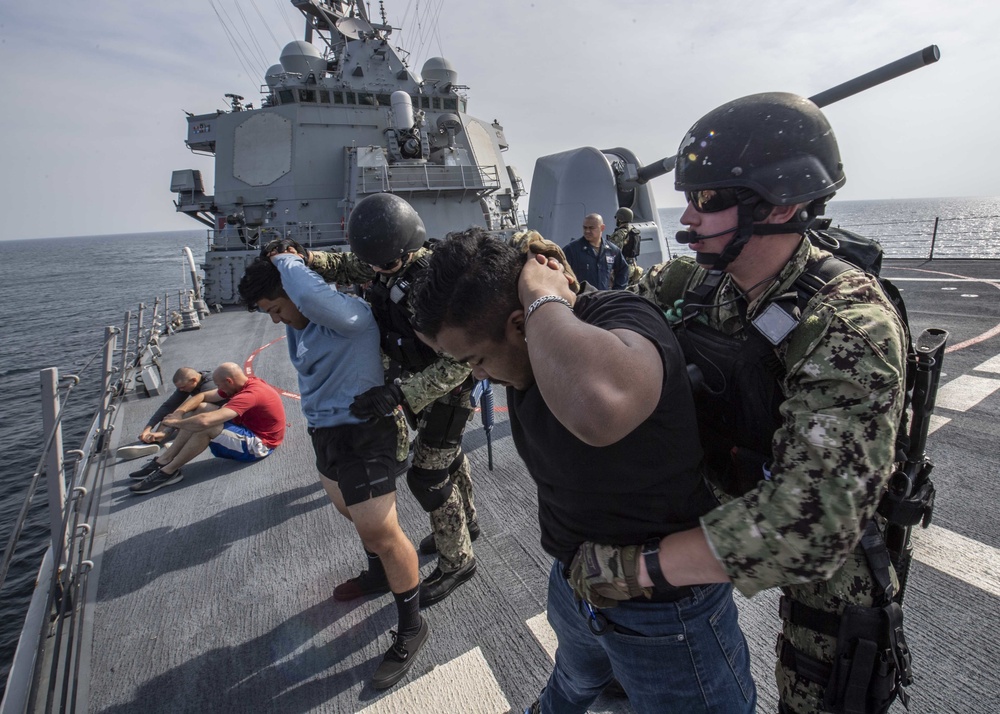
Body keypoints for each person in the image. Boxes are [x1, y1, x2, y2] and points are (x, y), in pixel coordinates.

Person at [573, 93, 911, 714]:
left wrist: (635, 567)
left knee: (824, 692)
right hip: (718, 496)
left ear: (779, 203)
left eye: (708, 199)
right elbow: (602, 302)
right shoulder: (702, 282)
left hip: (829, 565)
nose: (688, 217)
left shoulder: (848, 324)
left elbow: (812, 527)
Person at [409, 228, 756, 714]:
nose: (478, 376)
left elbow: (598, 408)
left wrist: (541, 296)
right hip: (578, 582)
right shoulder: (520, 346)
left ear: (519, 322)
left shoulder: (619, 317)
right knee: (572, 682)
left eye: (477, 360)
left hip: (662, 611)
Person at [237, 250, 427, 690]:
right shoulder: (301, 330)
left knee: (382, 533)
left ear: (297, 293)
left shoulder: (350, 317)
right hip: (327, 435)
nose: (275, 320)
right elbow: (300, 317)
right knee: (351, 513)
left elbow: (310, 296)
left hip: (365, 435)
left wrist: (285, 261)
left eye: (277, 308)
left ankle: (413, 627)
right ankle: (380, 575)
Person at [305, 193, 479, 607]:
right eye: (376, 264)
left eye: (386, 265)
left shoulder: (434, 284)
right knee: (448, 458)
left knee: (428, 476)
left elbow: (459, 361)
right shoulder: (387, 259)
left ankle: (458, 561)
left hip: (446, 390)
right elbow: (349, 265)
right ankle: (467, 522)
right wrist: (303, 257)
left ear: (407, 247)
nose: (378, 271)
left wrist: (400, 393)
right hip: (415, 381)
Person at [128, 362, 285, 495]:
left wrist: (175, 423)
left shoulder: (250, 394)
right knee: (203, 407)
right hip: (247, 428)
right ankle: (165, 459)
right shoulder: (243, 383)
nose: (218, 388)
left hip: (261, 445)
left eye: (218, 385)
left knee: (206, 427)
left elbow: (204, 422)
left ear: (229, 381)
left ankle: (169, 472)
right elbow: (201, 397)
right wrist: (178, 414)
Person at [116, 367, 217, 461]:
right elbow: (168, 406)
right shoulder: (189, 383)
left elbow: (195, 409)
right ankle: (153, 441)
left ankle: (173, 440)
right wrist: (148, 428)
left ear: (194, 380)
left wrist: (168, 430)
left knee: (194, 409)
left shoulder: (210, 384)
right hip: (206, 416)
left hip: (220, 414)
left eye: (183, 387)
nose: (181, 390)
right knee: (171, 412)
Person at [562, 213, 628, 290]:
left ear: (602, 228)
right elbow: (561, 271)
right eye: (585, 228)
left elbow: (623, 269)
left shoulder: (612, 250)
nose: (587, 231)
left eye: (591, 228)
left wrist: (617, 291)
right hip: (582, 298)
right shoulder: (572, 250)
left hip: (603, 298)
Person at [606, 207, 643, 287]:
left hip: (622, 268)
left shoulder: (620, 233)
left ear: (620, 219)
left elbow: (615, 252)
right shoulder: (633, 231)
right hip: (632, 265)